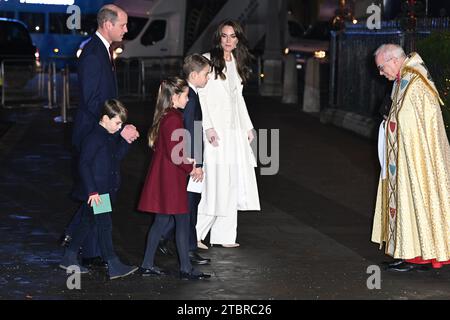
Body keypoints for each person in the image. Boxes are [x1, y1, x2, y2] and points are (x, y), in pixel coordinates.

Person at [62, 4, 138, 267]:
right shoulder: (94, 53)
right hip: (94, 133)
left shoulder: (102, 50)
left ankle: (79, 245)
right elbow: (93, 100)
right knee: (100, 194)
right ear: (108, 24)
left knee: (100, 193)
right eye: (123, 25)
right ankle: (96, 253)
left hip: (101, 130)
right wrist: (115, 125)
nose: (126, 29)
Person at [372, 43, 450, 271]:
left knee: (416, 196)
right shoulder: (403, 79)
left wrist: (391, 125)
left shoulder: (415, 83)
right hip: (404, 155)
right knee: (406, 199)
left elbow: (412, 122)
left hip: (417, 158)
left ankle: (421, 255)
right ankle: (411, 253)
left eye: (381, 67)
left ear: (393, 60)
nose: (380, 72)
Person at [137, 77, 211, 280]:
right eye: (185, 96)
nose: (188, 100)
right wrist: (193, 168)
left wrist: (188, 162)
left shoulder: (166, 116)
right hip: (171, 179)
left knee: (161, 221)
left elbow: (174, 151)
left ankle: (147, 264)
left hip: (166, 176)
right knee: (181, 220)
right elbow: (176, 154)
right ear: (174, 97)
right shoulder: (173, 119)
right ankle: (185, 269)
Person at [195, 19, 260, 248]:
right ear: (218, 37)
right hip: (215, 131)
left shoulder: (236, 61)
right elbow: (199, 94)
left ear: (238, 39)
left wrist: (248, 127)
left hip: (234, 132)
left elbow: (238, 98)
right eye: (225, 36)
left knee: (231, 182)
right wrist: (208, 126)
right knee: (214, 183)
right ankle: (196, 233)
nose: (229, 40)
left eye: (233, 36)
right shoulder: (208, 60)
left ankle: (224, 236)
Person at [59, 99, 138, 280]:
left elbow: (116, 157)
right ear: (105, 118)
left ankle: (69, 257)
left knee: (88, 223)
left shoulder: (108, 136)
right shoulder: (95, 137)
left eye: (121, 124)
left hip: (102, 190)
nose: (119, 127)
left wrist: (126, 141)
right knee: (104, 225)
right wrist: (92, 191)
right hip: (98, 193)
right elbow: (84, 164)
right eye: (117, 123)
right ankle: (113, 264)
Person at [157, 54, 212, 265]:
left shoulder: (190, 94)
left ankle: (166, 237)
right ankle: (187, 249)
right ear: (195, 75)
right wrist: (195, 163)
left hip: (188, 158)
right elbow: (190, 131)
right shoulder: (191, 98)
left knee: (186, 203)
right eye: (206, 74)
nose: (208, 78)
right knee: (189, 204)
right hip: (190, 160)